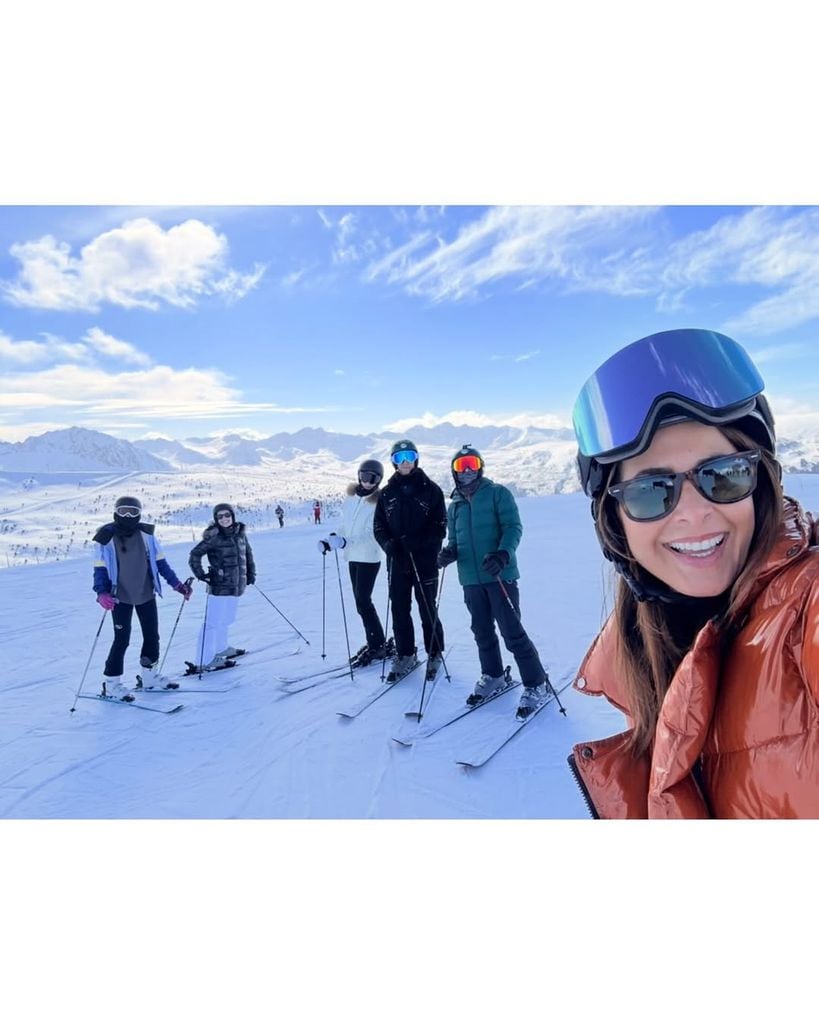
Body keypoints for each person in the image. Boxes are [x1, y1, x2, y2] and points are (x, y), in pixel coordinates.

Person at [569, 327, 819, 819]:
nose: (693, 513)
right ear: (615, 522)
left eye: (722, 475)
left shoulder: (805, 609)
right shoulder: (643, 652)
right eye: (650, 491)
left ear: (759, 486)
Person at [437, 445, 550, 719]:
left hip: (500, 576)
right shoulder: (455, 506)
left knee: (512, 632)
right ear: (454, 471)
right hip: (471, 579)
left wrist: (503, 553)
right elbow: (455, 540)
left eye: (472, 463)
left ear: (480, 466)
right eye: (461, 465)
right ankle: (494, 675)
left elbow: (513, 528)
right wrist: (449, 553)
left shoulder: (498, 493)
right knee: (482, 631)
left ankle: (537, 684)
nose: (467, 470)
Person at [92, 495, 192, 700]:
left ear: (139, 514)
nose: (128, 516)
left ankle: (150, 677)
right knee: (122, 639)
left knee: (152, 635)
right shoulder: (105, 537)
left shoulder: (147, 536)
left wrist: (177, 585)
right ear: (115, 512)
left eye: (133, 512)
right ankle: (112, 684)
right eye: (123, 512)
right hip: (119, 597)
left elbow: (161, 564)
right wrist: (101, 593)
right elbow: (100, 568)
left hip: (146, 593)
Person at [374, 439, 447, 682]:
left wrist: (419, 541)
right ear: (393, 462)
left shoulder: (431, 489)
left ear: (417, 459)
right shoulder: (386, 493)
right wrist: (388, 545)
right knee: (399, 609)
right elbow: (379, 527)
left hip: (425, 560)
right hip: (398, 561)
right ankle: (405, 654)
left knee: (427, 607)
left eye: (409, 456)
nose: (405, 462)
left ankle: (434, 651)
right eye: (399, 458)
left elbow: (440, 526)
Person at [318, 458, 393, 666]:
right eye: (364, 476)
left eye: (372, 478)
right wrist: (332, 540)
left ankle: (377, 643)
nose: (367, 482)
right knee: (361, 602)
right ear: (358, 476)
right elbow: (346, 525)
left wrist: (345, 541)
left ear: (378, 480)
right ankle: (375, 640)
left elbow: (371, 534)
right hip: (352, 556)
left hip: (369, 557)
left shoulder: (379, 502)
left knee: (363, 601)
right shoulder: (352, 498)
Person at [188, 503, 256, 672]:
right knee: (212, 623)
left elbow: (247, 555)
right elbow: (195, 555)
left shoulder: (240, 534)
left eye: (227, 515)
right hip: (218, 586)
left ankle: (221, 648)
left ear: (232, 516)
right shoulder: (214, 536)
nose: (224, 519)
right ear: (216, 519)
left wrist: (251, 574)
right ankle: (204, 660)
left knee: (226, 620)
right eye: (220, 516)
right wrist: (201, 574)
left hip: (236, 585)